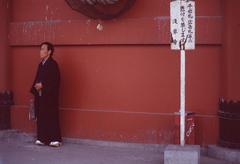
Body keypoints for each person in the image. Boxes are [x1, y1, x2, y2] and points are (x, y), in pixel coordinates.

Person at [30, 42, 62, 147]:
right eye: (40, 49)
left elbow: (55, 80)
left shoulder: (53, 64)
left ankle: (55, 139)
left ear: (49, 52)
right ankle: (42, 138)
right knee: (41, 116)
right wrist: (36, 86)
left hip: (50, 97)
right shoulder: (41, 64)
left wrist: (43, 85)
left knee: (51, 116)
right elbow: (37, 78)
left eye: (43, 49)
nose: (40, 51)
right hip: (41, 95)